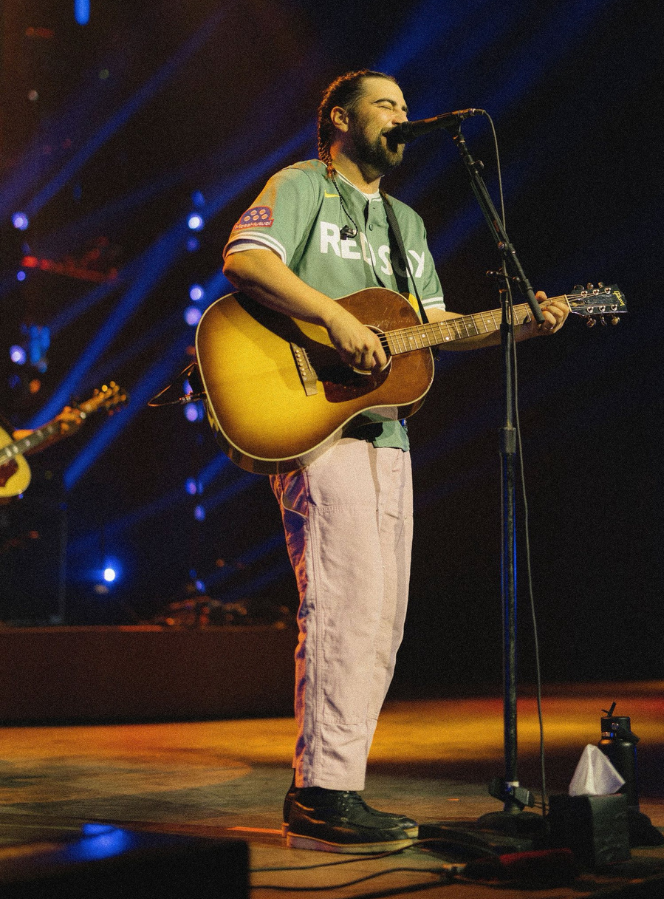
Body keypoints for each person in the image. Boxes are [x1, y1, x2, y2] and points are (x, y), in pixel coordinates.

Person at [222, 70, 571, 854]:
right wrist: (330, 321)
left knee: (381, 618)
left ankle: (340, 784)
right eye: (388, 105)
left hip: (388, 434)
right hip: (317, 427)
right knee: (342, 607)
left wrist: (526, 324)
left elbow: (439, 326)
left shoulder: (407, 224)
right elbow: (246, 259)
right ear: (340, 119)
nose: (404, 118)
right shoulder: (302, 184)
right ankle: (320, 790)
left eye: (409, 108)